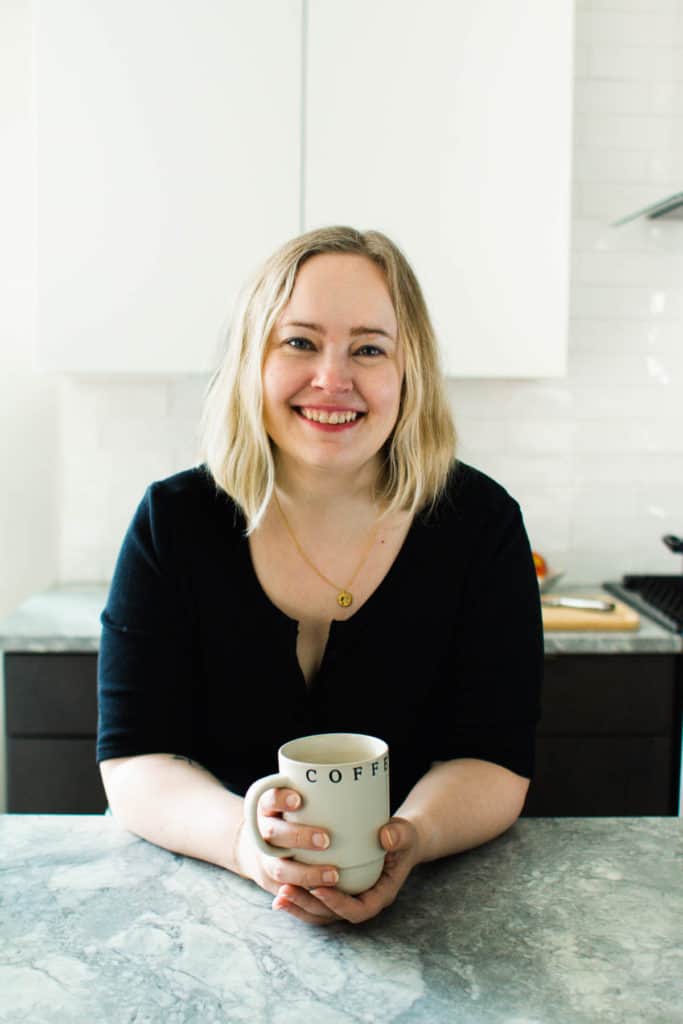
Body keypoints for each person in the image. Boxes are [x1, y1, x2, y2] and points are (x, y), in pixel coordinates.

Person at [97, 225, 543, 927]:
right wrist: (247, 847)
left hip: (435, 917)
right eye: (299, 342)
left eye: (368, 349)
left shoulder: (478, 523)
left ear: (409, 370)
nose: (332, 380)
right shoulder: (174, 520)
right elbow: (136, 761)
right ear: (254, 359)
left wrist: (409, 841)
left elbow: (493, 760)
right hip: (200, 912)